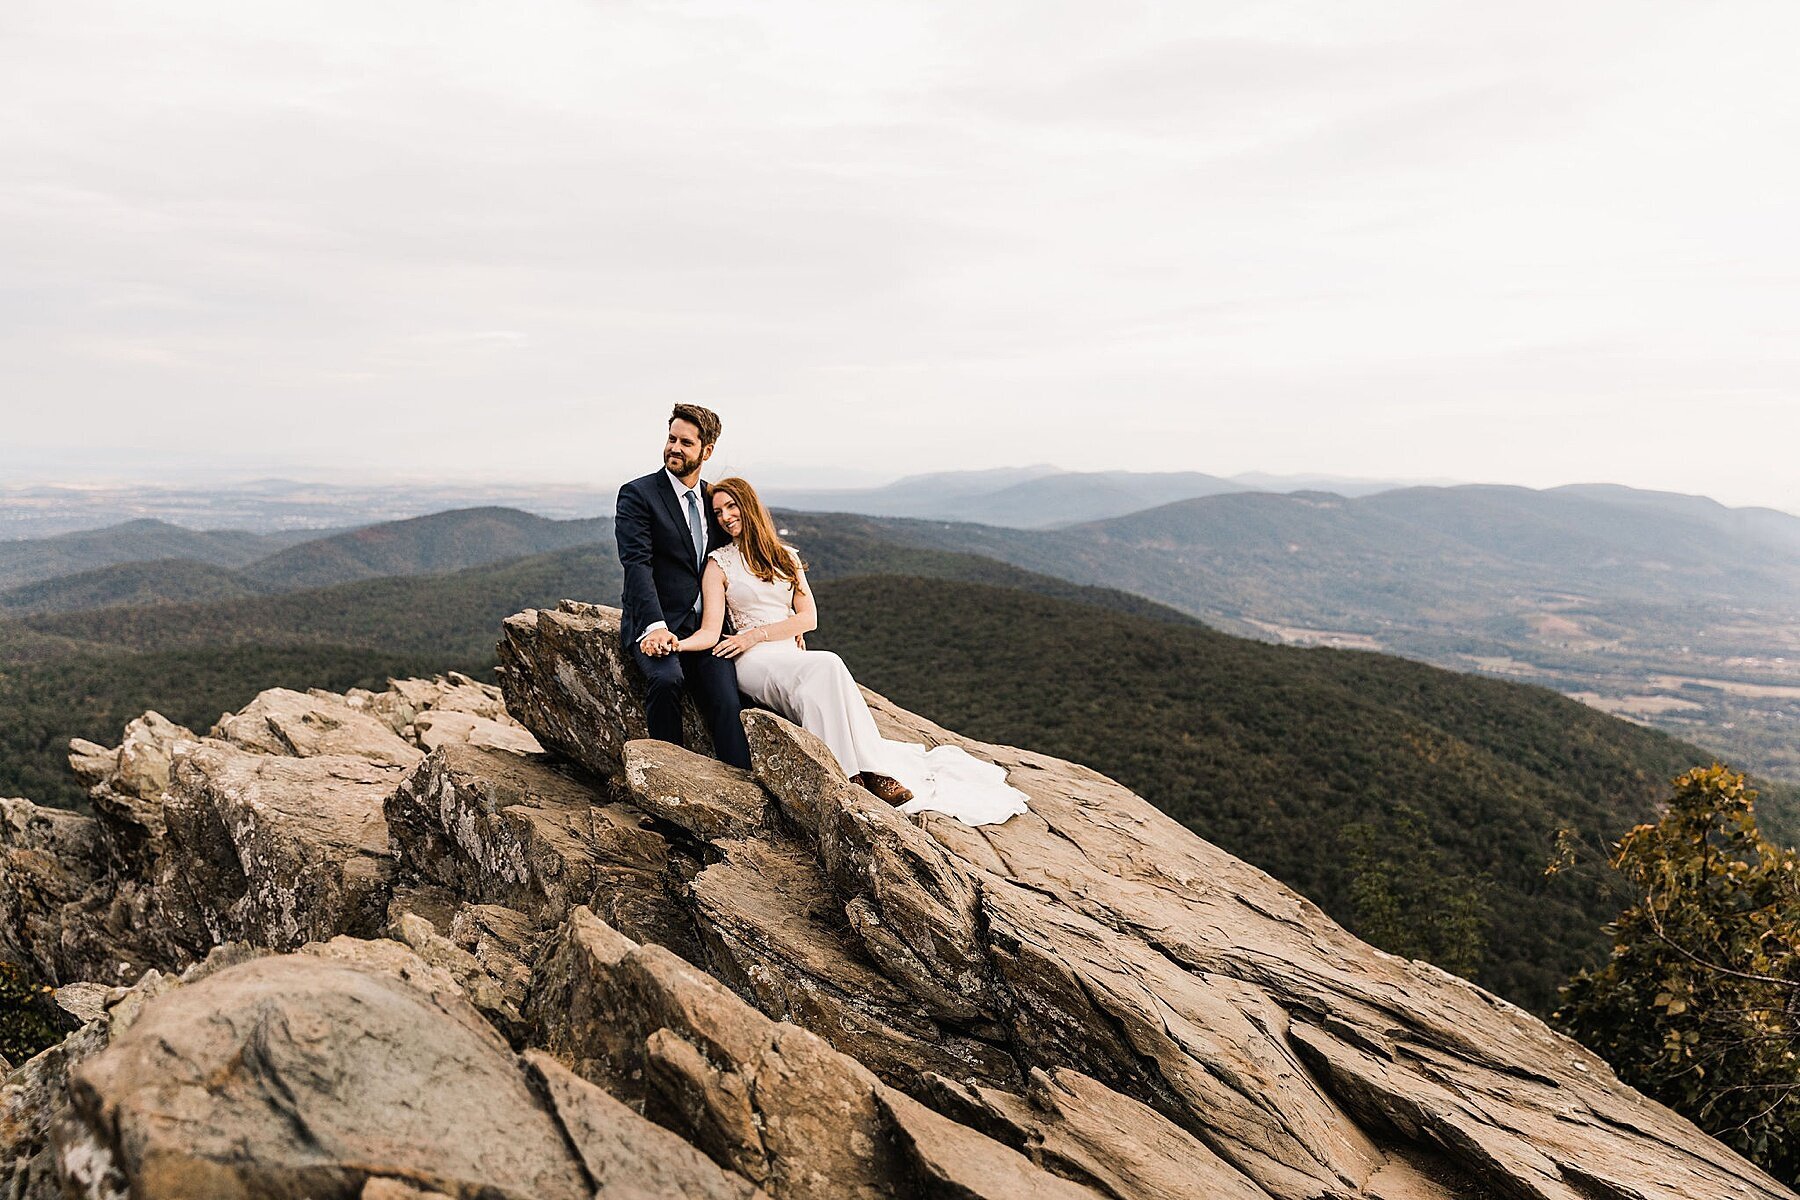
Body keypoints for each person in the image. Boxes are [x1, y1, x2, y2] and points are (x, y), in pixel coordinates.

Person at [675, 475, 1028, 827]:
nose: (724, 516)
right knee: (828, 664)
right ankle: (860, 774)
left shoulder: (785, 557)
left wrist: (769, 633)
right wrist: (675, 642)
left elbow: (809, 618)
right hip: (751, 659)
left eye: (731, 506)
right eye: (718, 511)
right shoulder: (718, 564)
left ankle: (857, 772)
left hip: (788, 652)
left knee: (821, 686)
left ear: (749, 507)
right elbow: (709, 631)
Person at [615, 405, 752, 769]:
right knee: (667, 681)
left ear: (707, 451)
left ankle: (742, 785)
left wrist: (777, 622)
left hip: (708, 629)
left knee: (727, 698)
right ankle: (668, 779)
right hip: (657, 623)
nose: (674, 447)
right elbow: (636, 565)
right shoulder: (638, 494)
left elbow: (739, 559)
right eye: (671, 439)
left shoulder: (714, 501)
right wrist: (655, 626)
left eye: (685, 443)